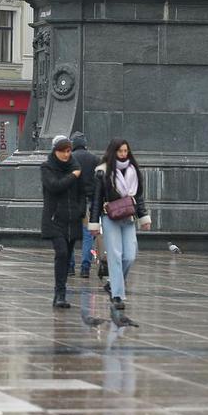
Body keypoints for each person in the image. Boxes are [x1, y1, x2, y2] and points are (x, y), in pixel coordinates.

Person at [89, 138, 151, 314]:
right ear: (113, 152)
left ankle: (113, 284)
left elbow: (138, 197)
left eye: (125, 151)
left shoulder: (133, 170)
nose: (123, 154)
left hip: (129, 218)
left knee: (130, 256)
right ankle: (117, 296)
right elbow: (96, 199)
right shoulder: (102, 172)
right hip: (110, 217)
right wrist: (94, 223)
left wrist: (143, 216)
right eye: (120, 151)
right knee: (115, 255)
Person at [40, 135, 85, 309]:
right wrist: (72, 177)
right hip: (54, 218)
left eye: (68, 151)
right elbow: (54, 186)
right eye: (62, 151)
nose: (66, 155)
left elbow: (82, 192)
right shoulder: (47, 167)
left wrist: (80, 209)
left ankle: (61, 293)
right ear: (55, 151)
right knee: (62, 253)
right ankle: (59, 293)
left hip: (72, 219)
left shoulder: (76, 166)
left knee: (67, 256)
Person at [68, 131, 98, 278]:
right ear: (85, 144)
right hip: (88, 203)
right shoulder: (94, 159)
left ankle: (70, 266)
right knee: (87, 235)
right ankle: (85, 267)